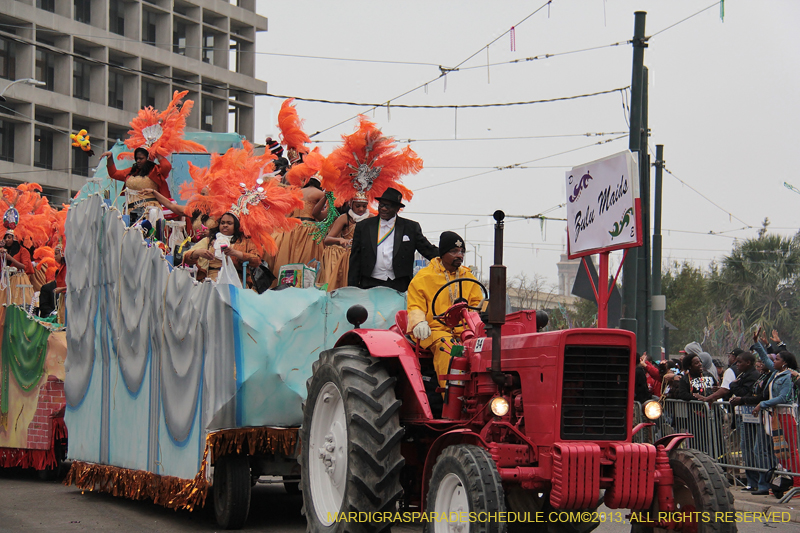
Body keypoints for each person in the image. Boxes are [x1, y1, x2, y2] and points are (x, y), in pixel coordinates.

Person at [406, 231, 483, 388]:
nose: (460, 255)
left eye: (462, 252)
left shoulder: (468, 276)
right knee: (449, 349)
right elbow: (415, 306)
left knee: (485, 348)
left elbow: (477, 305)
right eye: (454, 251)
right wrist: (419, 322)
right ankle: (450, 397)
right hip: (434, 331)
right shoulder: (424, 277)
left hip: (465, 331)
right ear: (442, 254)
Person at [348, 187, 438, 292]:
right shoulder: (364, 226)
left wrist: (447, 253)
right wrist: (352, 289)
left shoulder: (410, 227)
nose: (383, 208)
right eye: (381, 205)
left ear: (397, 209)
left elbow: (427, 250)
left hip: (399, 284)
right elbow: (355, 259)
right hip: (369, 283)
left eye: (388, 206)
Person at [752, 337, 800, 493]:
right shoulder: (776, 373)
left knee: (791, 451)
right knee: (780, 450)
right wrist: (757, 343)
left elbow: (784, 397)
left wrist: (762, 404)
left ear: (784, 363)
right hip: (776, 417)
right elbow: (766, 359)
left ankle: (798, 483)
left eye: (777, 359)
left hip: (786, 416)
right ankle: (786, 483)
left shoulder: (788, 376)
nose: (774, 361)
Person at [730, 352, 771, 493]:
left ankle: (764, 484)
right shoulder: (752, 376)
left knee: (759, 450)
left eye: (740, 362)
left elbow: (758, 396)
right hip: (747, 416)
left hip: (760, 416)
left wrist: (739, 394)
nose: (737, 364)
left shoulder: (759, 376)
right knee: (746, 448)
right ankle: (752, 482)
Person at [183, 212, 261, 286]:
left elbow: (257, 260)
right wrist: (198, 253)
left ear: (236, 226)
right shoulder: (209, 240)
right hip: (210, 282)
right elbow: (186, 257)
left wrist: (235, 253)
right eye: (222, 223)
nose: (225, 225)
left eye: (229, 223)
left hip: (236, 282)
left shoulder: (245, 241)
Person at [316, 194, 371, 291]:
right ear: (351, 204)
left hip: (365, 256)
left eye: (364, 206)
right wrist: (340, 240)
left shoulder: (371, 217)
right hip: (349, 257)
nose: (361, 209)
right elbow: (328, 240)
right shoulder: (345, 218)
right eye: (357, 206)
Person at [98, 148, 172, 215]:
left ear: (148, 158)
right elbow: (114, 173)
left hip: (149, 210)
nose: (138, 161)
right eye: (137, 158)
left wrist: (156, 151)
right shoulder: (132, 171)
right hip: (130, 210)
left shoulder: (155, 171)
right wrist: (110, 158)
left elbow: (167, 166)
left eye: (141, 158)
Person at [38, 244, 66, 317]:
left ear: (62, 254)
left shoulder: (66, 269)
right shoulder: (62, 267)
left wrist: (62, 289)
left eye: (56, 254)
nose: (54, 256)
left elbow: (73, 286)